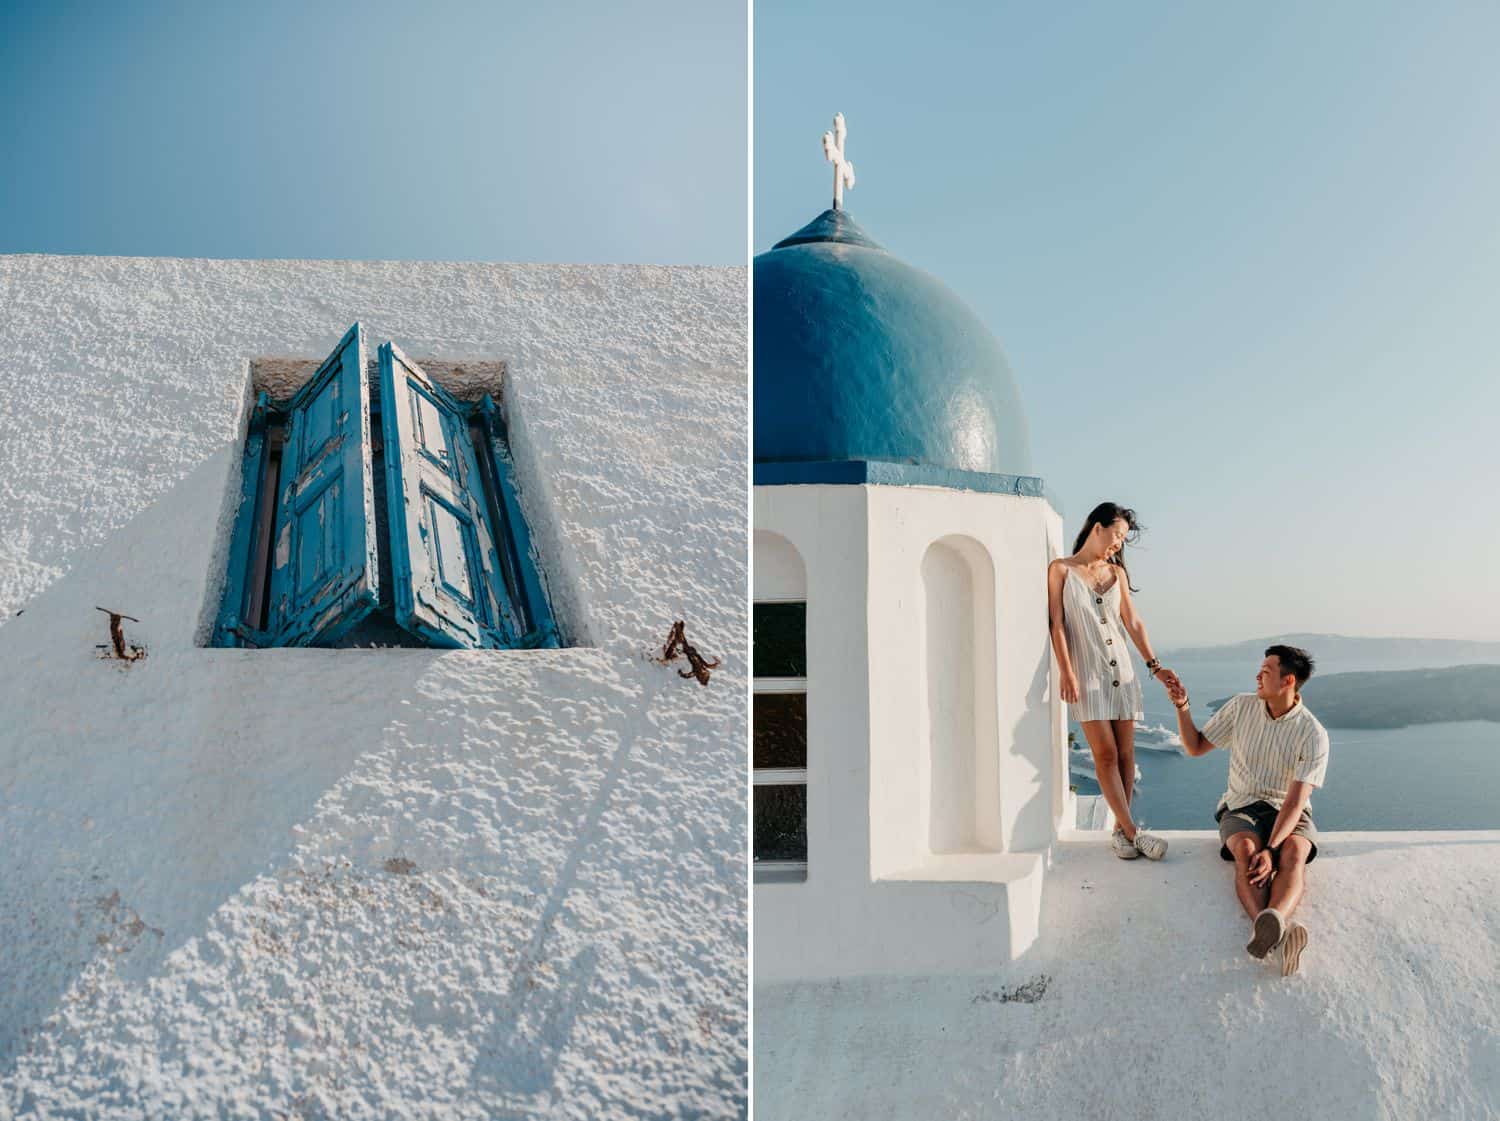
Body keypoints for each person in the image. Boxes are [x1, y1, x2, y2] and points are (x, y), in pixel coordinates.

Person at [1164, 645, 1329, 976]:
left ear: (1288, 681)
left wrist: (1273, 849)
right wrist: (1182, 706)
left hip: (1288, 810)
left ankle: (1273, 928)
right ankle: (1272, 931)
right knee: (1245, 849)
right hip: (1241, 805)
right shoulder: (1241, 707)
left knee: (1294, 853)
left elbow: (1296, 802)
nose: (1258, 675)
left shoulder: (1313, 733)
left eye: (1266, 671)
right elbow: (1195, 747)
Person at [1047, 502, 1175, 861]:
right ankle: (1135, 833)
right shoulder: (1060, 570)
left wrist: (1155, 665)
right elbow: (1056, 624)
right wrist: (1067, 671)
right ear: (1097, 527)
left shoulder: (1116, 574)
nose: (1119, 543)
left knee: (1126, 755)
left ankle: (1120, 834)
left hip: (1123, 672)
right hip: (1086, 675)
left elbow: (1133, 623)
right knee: (1103, 756)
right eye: (1117, 534)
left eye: (1123, 539)